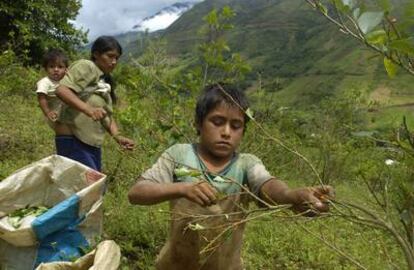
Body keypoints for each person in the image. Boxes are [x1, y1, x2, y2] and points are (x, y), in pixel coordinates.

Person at [128, 83, 334, 270]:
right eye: (217, 122)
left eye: (236, 126)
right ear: (198, 123)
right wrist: (182, 188)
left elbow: (268, 185)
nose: (226, 132)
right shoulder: (179, 155)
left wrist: (292, 197)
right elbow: (137, 193)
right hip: (174, 265)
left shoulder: (246, 164)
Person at [55, 36, 134, 171]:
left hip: (90, 144)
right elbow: (61, 90)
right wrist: (88, 109)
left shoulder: (104, 81)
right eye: (110, 56)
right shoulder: (87, 66)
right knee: (87, 187)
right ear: (96, 54)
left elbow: (106, 115)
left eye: (117, 58)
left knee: (88, 188)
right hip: (73, 139)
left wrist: (118, 137)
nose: (114, 62)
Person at [36, 49, 68, 131]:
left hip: (66, 113)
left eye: (60, 67)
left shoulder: (66, 80)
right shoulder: (45, 82)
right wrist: (47, 112)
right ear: (46, 69)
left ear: (66, 69)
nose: (56, 69)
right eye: (51, 66)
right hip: (54, 115)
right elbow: (41, 98)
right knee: (63, 132)